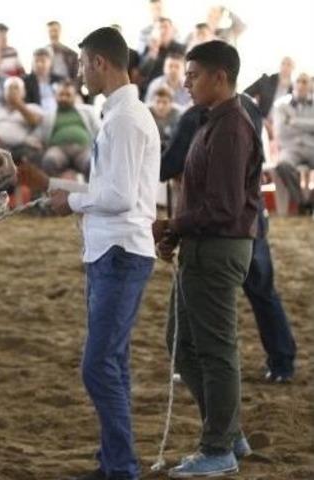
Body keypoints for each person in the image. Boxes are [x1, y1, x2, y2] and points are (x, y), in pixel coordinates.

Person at [25, 27, 160, 480]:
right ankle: (115, 464)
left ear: (100, 62)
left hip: (119, 251)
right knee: (111, 364)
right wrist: (58, 190)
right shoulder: (121, 114)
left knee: (99, 367)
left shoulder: (124, 118)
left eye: (83, 63)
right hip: (112, 250)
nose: (80, 72)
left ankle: (121, 468)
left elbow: (119, 196)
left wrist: (71, 200)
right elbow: (112, 190)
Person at [152, 40, 261, 478]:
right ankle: (227, 432)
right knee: (183, 344)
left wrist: (175, 225)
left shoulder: (231, 126)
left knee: (213, 350)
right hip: (207, 246)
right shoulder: (213, 121)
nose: (186, 82)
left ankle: (219, 445)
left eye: (194, 75)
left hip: (218, 247)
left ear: (220, 76)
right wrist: (178, 230)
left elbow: (224, 207)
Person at [161, 93, 298, 385]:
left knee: (199, 296)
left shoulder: (196, 115)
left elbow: (169, 164)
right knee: (262, 290)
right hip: (251, 215)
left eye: (193, 76)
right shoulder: (249, 109)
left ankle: (193, 362)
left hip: (213, 227)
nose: (188, 84)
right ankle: (282, 361)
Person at [38, 80, 100, 178]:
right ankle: (54, 192)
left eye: (68, 95)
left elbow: (99, 131)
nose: (64, 98)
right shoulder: (48, 115)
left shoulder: (88, 111)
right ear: (55, 96)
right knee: (49, 161)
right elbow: (38, 135)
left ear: (74, 97)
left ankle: (93, 193)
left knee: (92, 163)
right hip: (58, 150)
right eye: (61, 94)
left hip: (83, 149)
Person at [273, 73, 314, 208]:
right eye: (298, 81)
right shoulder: (280, 105)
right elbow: (281, 131)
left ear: (311, 85)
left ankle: (311, 200)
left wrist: (294, 122)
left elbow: (289, 126)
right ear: (293, 84)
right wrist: (309, 126)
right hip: (290, 148)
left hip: (312, 146)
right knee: (282, 165)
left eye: (305, 81)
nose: (301, 85)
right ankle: (302, 201)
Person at [0, 76, 44, 166]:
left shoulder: (33, 107)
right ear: (4, 92)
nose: (13, 91)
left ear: (24, 92)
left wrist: (18, 104)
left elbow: (35, 121)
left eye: (16, 88)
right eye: (9, 88)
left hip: (20, 148)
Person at [138, 17, 186, 93]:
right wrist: (153, 52)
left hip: (176, 88)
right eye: (159, 28)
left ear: (172, 30)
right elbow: (143, 72)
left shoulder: (182, 49)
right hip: (153, 88)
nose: (162, 31)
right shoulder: (149, 48)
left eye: (165, 27)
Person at [22, 48, 63, 113]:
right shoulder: (25, 81)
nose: (39, 64)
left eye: (43, 61)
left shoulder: (59, 80)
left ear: (50, 62)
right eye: (36, 61)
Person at [149, 86, 180, 151]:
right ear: (152, 102)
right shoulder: (146, 114)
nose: (161, 107)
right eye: (158, 102)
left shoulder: (177, 116)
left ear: (171, 103)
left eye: (164, 102)